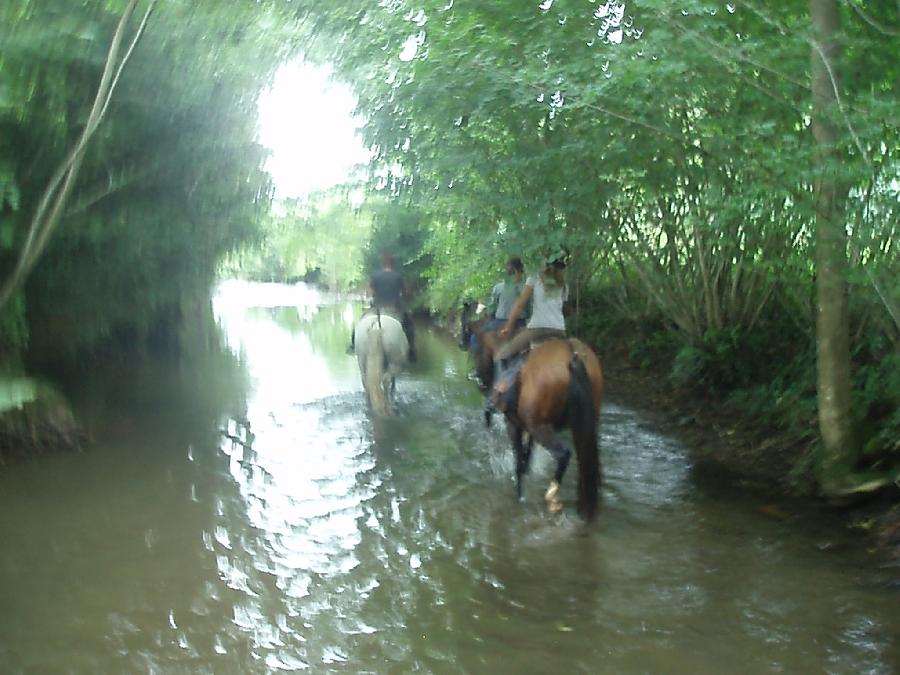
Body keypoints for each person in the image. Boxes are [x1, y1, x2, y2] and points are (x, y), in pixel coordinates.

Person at [492, 250, 569, 392]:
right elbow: (560, 308)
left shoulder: (535, 277)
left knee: (501, 355)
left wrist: (508, 327)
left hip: (537, 329)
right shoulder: (563, 284)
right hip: (560, 330)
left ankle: (499, 391)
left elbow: (520, 304)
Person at [349, 253, 417, 361]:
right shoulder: (398, 276)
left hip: (376, 308)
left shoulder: (375, 276)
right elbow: (405, 293)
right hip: (394, 308)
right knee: (409, 326)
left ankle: (352, 345)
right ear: (393, 264)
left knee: (359, 323)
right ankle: (412, 351)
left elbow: (370, 292)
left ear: (382, 264)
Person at [470, 257, 527, 354]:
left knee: (475, 338)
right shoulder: (526, 287)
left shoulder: (499, 287)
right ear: (521, 270)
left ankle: (480, 365)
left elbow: (492, 308)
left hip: (500, 322)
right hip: (520, 322)